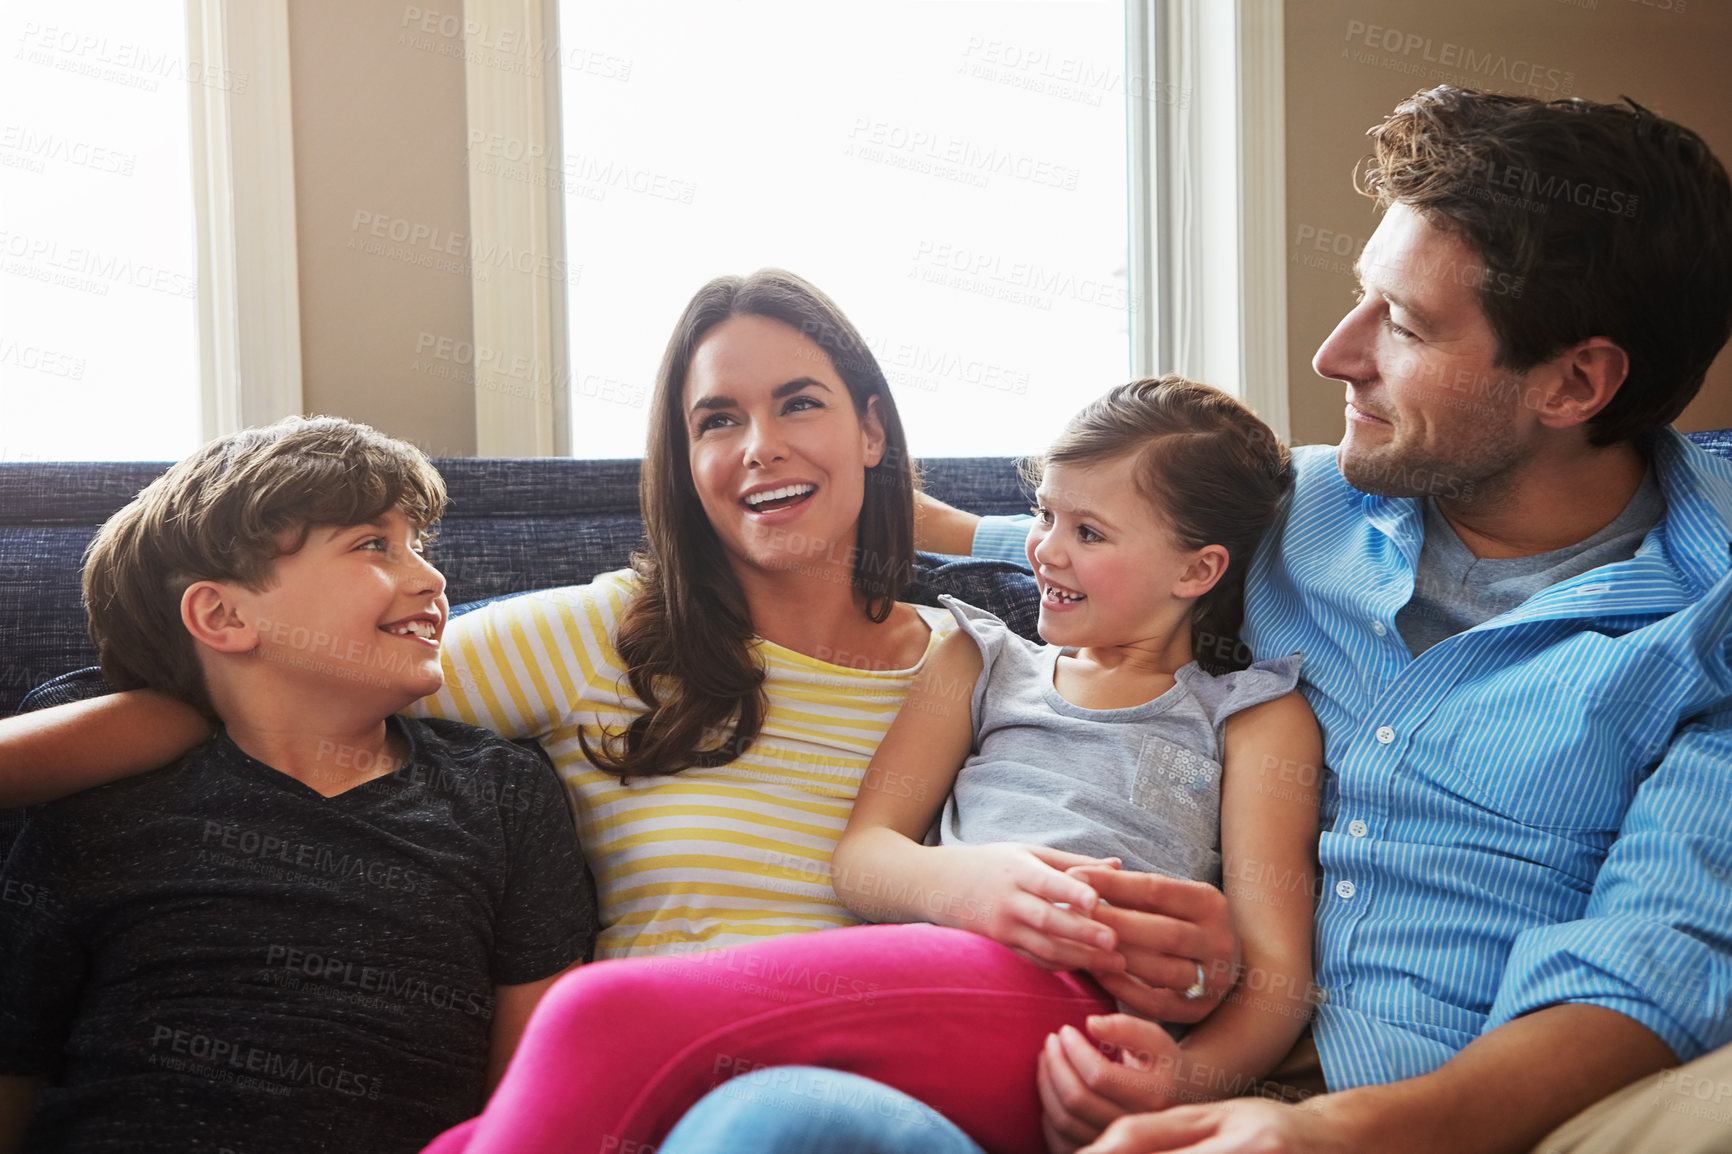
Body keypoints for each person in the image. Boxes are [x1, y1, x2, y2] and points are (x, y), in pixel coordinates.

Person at [674, 86, 1732, 1153]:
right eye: (1361, 296)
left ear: (1575, 382)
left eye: (1403, 326)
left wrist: (1325, 1132)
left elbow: (1652, 962)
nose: (1335, 353)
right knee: (770, 1120)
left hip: (1457, 1118)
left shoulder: (1707, 629)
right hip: (1172, 1080)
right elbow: (1100, 541)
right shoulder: (1302, 504)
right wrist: (862, 507)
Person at [0, 274, 1237, 1143]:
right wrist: (81, 739)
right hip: (637, 1107)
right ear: (684, 465)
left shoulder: (990, 659)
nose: (758, 444)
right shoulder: (590, 633)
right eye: (716, 418)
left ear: (870, 430)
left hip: (926, 1088)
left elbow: (1160, 579)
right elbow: (270, 691)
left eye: (799, 401)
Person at [412, 378, 1323, 1154]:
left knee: (595, 1017)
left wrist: (1180, 1085)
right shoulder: (980, 656)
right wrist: (971, 885)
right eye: (1044, 514)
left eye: (1089, 532)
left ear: (1198, 569)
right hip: (941, 972)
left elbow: (1276, 976)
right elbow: (866, 857)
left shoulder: (1252, 714)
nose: (1044, 548)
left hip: (1078, 1022)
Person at [0, 417, 593, 1154]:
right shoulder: (101, 799)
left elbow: (531, 1093)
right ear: (223, 615)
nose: (432, 578)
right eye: (374, 545)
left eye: (420, 545)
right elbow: (15, 1064)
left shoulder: (503, 792)